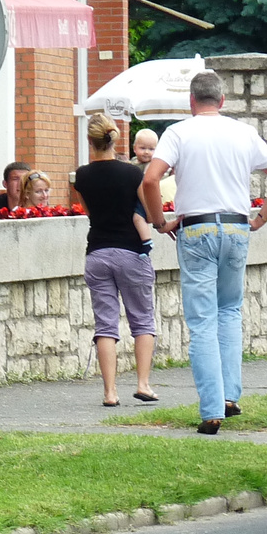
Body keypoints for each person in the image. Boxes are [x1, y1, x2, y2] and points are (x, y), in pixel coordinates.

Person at [140, 71, 267, 435]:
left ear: (191, 102)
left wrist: (160, 221)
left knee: (203, 321)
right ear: (222, 101)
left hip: (196, 229)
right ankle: (229, 395)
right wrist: (260, 218)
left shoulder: (179, 132)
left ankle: (211, 410)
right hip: (238, 227)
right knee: (229, 311)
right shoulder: (243, 132)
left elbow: (149, 179)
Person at [74, 114, 159, 406]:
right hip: (131, 252)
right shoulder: (132, 174)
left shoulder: (82, 176)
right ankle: (143, 384)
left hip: (97, 252)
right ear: (116, 139)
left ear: (90, 140)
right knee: (142, 319)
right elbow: (147, 210)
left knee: (105, 325)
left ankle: (110, 392)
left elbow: (89, 213)